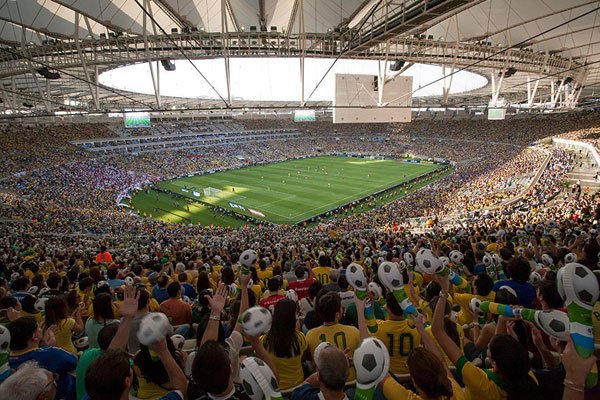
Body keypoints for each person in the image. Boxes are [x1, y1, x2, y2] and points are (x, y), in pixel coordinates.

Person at [432, 274, 540, 400]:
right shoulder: (530, 378)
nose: (489, 344)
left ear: (494, 365)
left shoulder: (480, 381)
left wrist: (444, 292)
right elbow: (501, 346)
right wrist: (502, 319)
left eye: (489, 347)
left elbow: (437, 330)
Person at [6, 316, 77, 400]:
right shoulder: (52, 353)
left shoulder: (8, 359)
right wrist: (52, 347)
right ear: (34, 336)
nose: (40, 329)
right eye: (38, 327)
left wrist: (44, 346)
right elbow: (74, 361)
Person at [306, 291, 366, 382]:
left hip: (324, 385)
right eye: (340, 307)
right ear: (337, 314)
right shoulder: (353, 331)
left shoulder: (310, 335)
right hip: (351, 381)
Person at [261, 298, 308, 390]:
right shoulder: (300, 338)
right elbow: (303, 359)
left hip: (276, 389)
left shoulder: (263, 341)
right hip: (298, 387)